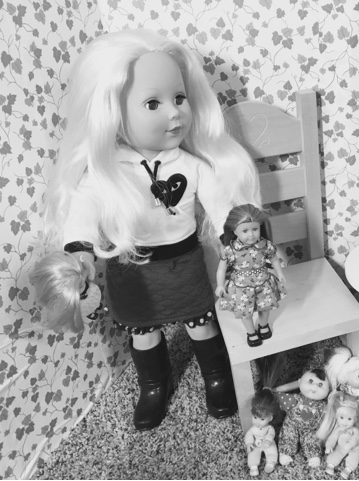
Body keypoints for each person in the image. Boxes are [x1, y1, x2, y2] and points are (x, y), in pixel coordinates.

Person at [36, 29, 261, 429]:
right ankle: (154, 385)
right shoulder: (107, 172)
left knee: (201, 322)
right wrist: (79, 252)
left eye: (179, 98)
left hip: (183, 264)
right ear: (114, 112)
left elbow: (222, 208)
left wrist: (238, 240)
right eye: (153, 103)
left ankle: (216, 377)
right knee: (143, 332)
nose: (174, 113)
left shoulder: (192, 167)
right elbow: (83, 210)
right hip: (133, 270)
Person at [216, 204, 287, 347]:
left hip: (263, 283)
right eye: (245, 230)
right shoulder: (230, 250)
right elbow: (221, 270)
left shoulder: (264, 245)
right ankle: (251, 332)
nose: (251, 235)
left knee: (265, 307)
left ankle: (263, 325)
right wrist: (220, 285)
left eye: (255, 229)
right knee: (245, 312)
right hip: (241, 288)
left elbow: (274, 259)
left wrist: (280, 273)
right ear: (234, 231)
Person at [316, 391, 359, 480]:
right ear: (336, 416)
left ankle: (348, 469)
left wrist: (350, 444)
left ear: (355, 419)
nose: (345, 422)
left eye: (349, 419)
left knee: (355, 455)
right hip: (341, 446)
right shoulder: (338, 429)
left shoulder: (355, 430)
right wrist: (329, 445)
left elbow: (356, 438)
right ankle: (331, 465)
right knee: (336, 452)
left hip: (353, 447)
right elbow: (332, 438)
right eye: (341, 418)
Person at [245, 389, 281, 477]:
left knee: (272, 450)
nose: (258, 422)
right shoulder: (253, 429)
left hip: (267, 441)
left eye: (262, 419)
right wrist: (249, 443)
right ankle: (253, 466)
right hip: (256, 442)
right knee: (253, 453)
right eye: (255, 417)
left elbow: (271, 433)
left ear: (270, 418)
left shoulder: (269, 428)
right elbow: (249, 435)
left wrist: (268, 440)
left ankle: (270, 463)